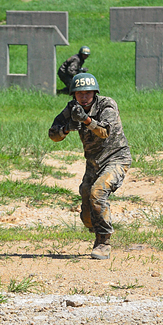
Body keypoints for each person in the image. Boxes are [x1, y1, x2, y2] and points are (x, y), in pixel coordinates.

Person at [48, 73, 131, 260]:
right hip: (93, 162)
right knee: (87, 210)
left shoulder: (107, 105)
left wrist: (86, 120)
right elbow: (53, 134)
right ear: (74, 95)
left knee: (98, 192)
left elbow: (104, 132)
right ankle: (95, 226)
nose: (84, 97)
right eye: (79, 93)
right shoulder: (72, 108)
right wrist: (66, 128)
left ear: (95, 92)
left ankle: (103, 242)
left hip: (116, 158)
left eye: (87, 93)